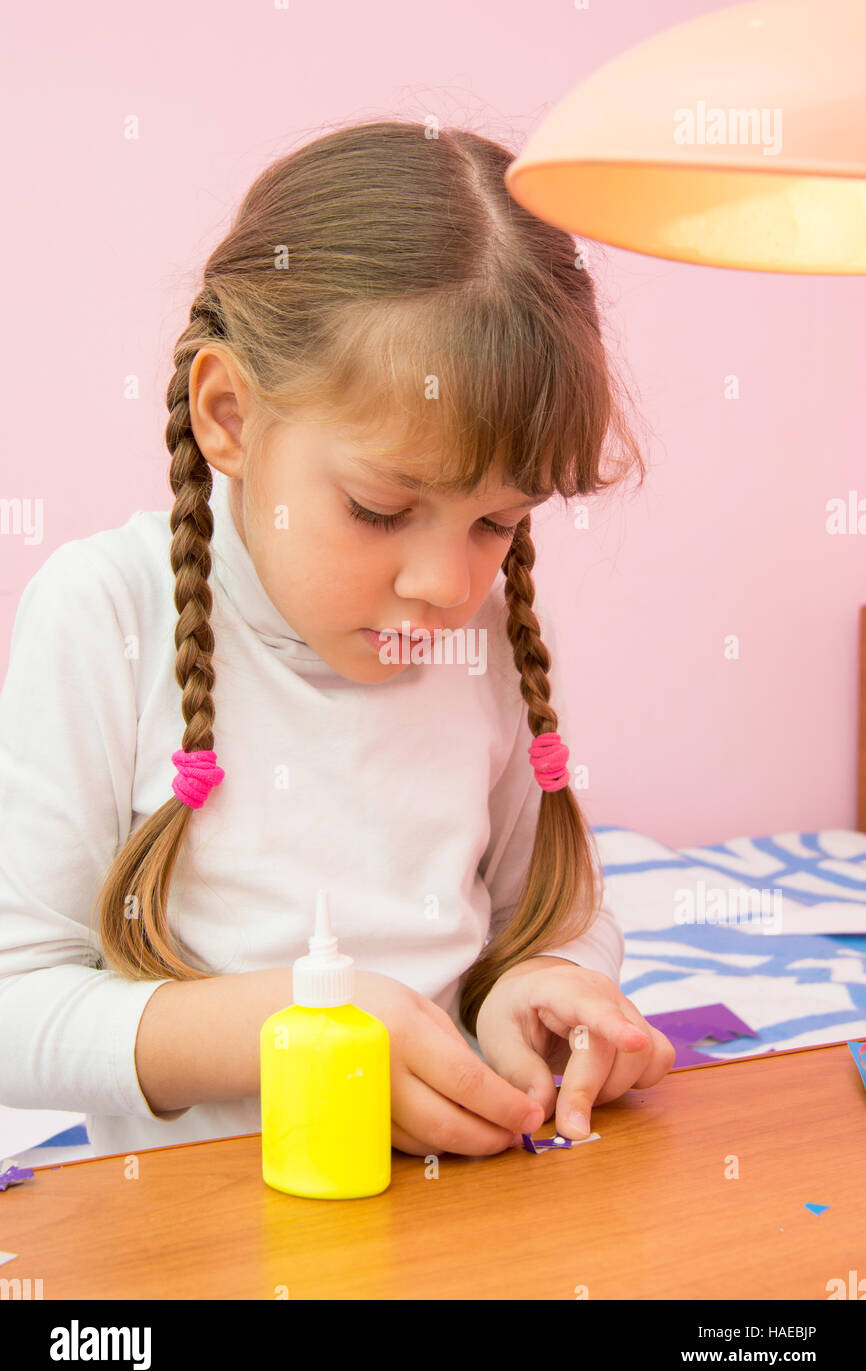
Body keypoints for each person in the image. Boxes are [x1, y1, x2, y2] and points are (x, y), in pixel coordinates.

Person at [0, 120, 674, 1162]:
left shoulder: (480, 636)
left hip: (462, 1217)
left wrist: (547, 986)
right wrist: (300, 1031)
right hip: (197, 1231)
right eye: (377, 507)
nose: (444, 586)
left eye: (496, 523)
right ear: (227, 414)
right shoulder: (104, 613)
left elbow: (542, 914)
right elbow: (17, 1008)